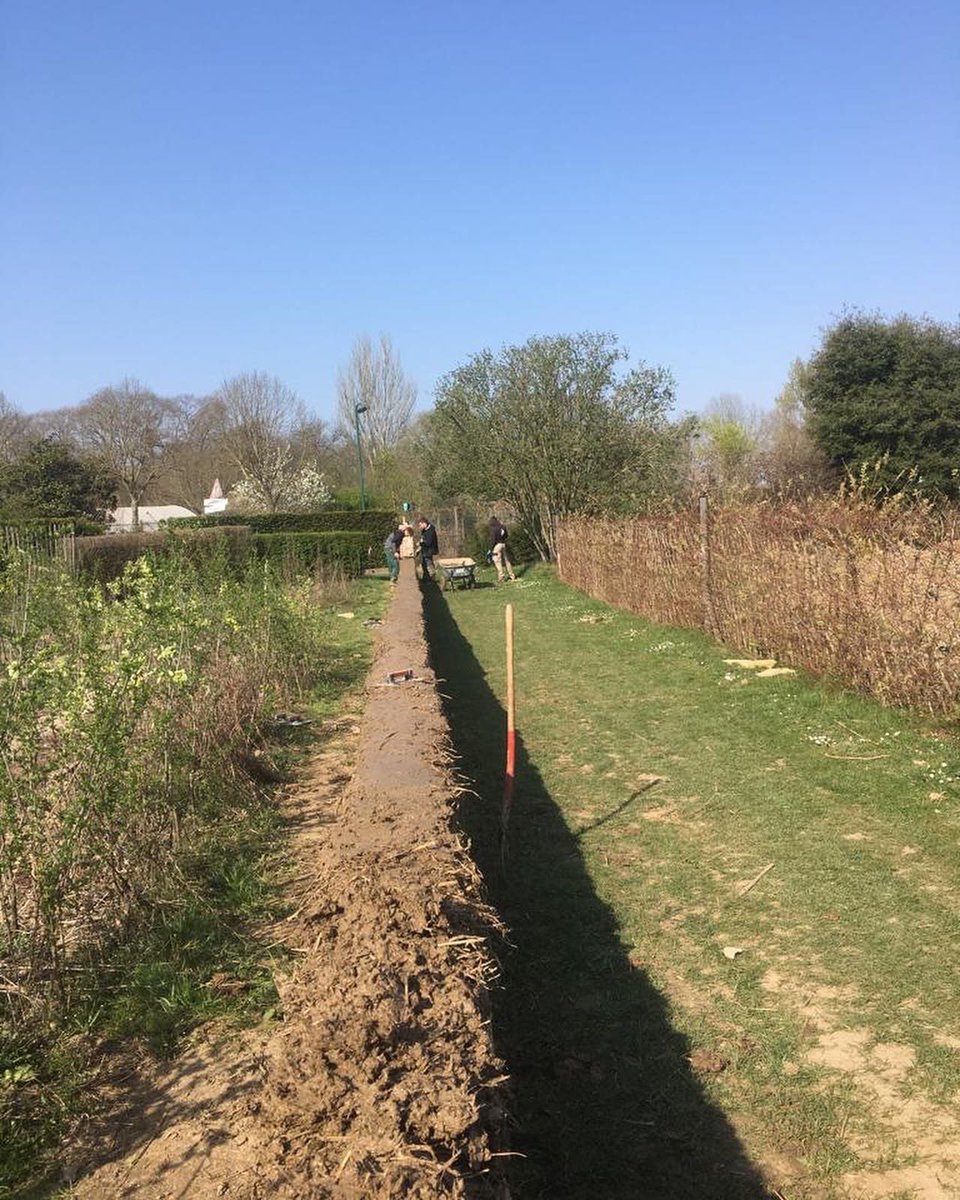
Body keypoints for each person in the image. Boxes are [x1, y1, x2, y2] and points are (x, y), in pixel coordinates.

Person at [488, 514, 517, 582]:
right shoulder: (503, 527)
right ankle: (512, 575)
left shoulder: (493, 529)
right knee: (507, 560)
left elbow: (493, 540)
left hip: (497, 546)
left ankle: (501, 577)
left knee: (497, 561)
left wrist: (490, 549)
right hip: (503, 544)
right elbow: (506, 535)